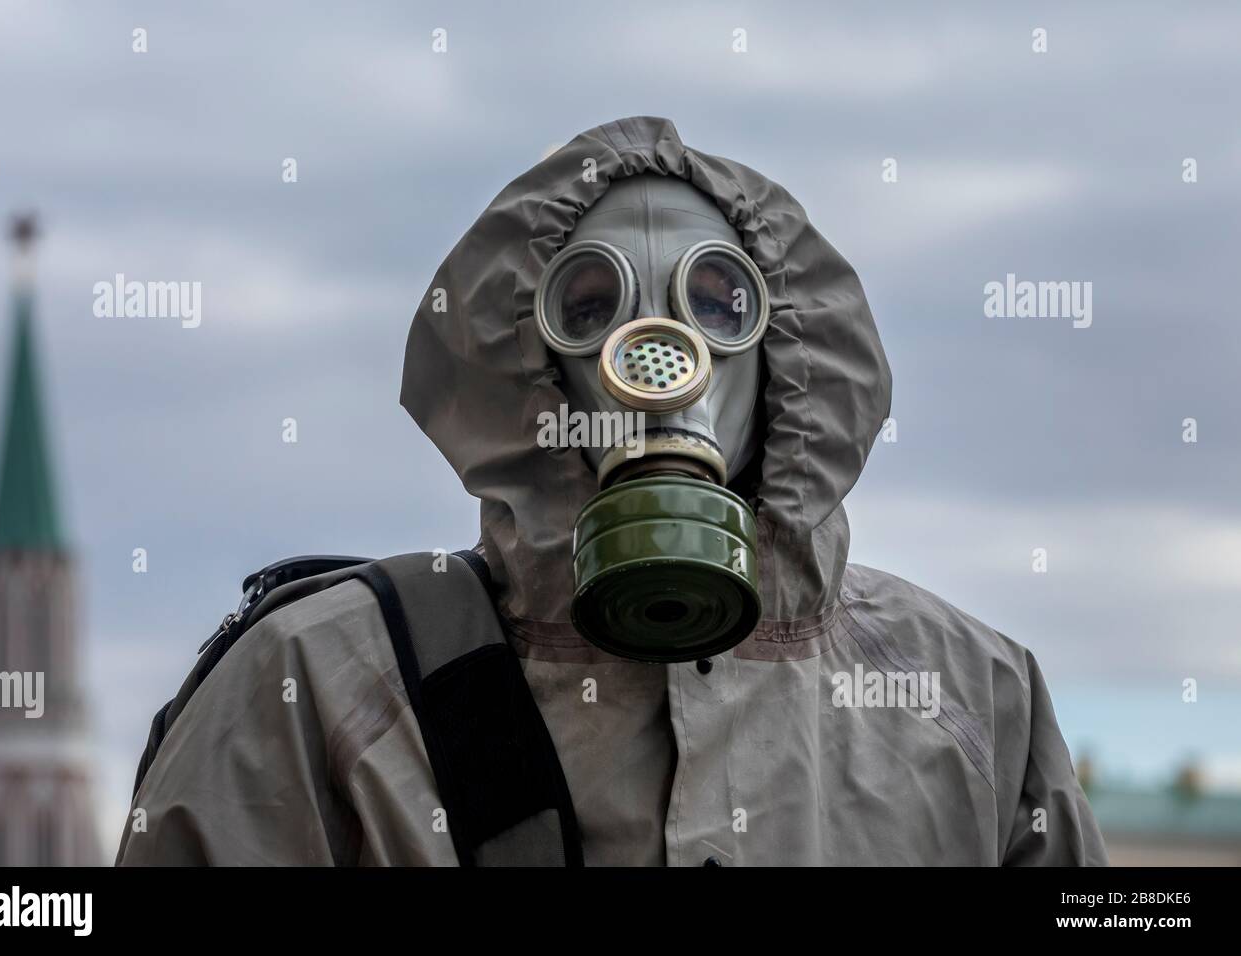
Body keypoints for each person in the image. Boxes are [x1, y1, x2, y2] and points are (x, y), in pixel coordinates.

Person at [117, 116, 1106, 866]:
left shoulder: (976, 697)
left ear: (788, 352)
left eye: (715, 304)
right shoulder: (317, 687)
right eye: (588, 308)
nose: (661, 361)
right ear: (523, 360)